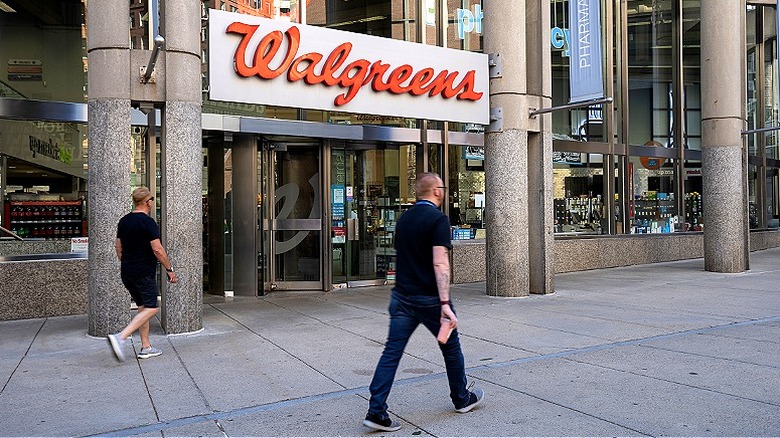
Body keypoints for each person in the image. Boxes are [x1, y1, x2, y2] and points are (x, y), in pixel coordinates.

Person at [362, 173, 484, 432]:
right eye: (442, 187)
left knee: (391, 352)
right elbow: (440, 262)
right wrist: (445, 303)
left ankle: (376, 411)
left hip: (402, 297)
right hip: (429, 299)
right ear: (437, 191)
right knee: (451, 348)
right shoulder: (438, 220)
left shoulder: (403, 219)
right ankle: (461, 398)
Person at [107, 187, 178, 362]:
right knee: (152, 307)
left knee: (143, 307)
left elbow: (118, 247)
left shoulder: (124, 221)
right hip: (143, 272)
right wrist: (169, 270)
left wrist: (128, 262)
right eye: (152, 199)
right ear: (148, 202)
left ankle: (146, 347)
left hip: (127, 271)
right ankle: (120, 337)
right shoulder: (148, 222)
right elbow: (157, 249)